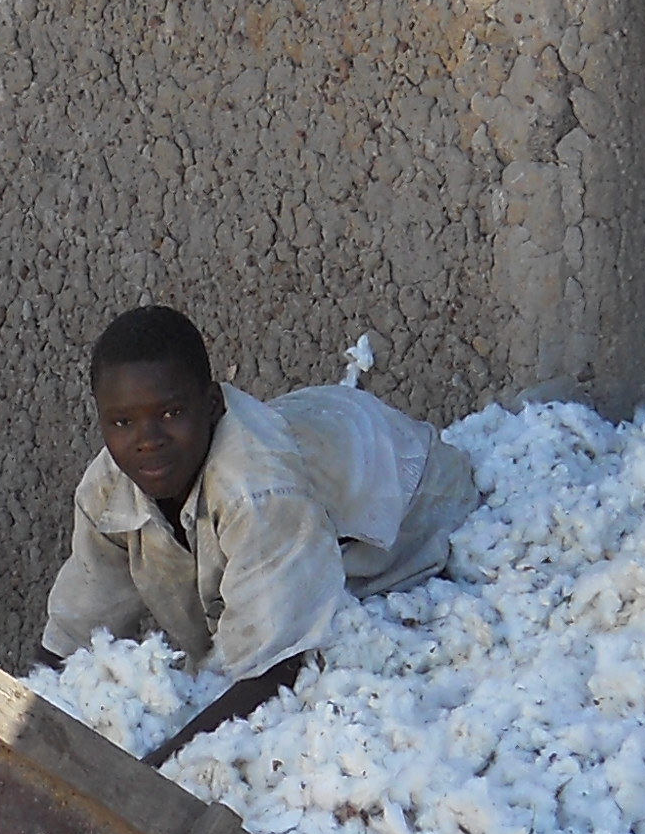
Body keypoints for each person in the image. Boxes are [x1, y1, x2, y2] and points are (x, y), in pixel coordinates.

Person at [37, 305, 477, 765]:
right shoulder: (108, 490)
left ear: (212, 406)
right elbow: (72, 635)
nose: (148, 439)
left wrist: (154, 771)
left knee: (322, 651)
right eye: (123, 422)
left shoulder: (258, 490)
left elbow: (274, 667)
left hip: (416, 494)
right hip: (322, 434)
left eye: (170, 412)